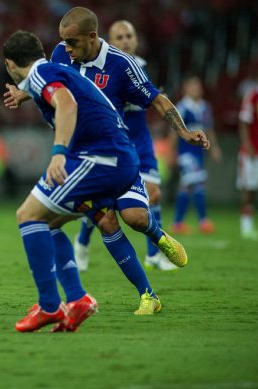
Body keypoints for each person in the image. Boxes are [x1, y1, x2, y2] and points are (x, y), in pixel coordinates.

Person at [5, 7, 209, 308]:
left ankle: (156, 235)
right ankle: (146, 295)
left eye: (73, 42)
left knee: (135, 217)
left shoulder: (122, 65)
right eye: (63, 42)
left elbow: (155, 98)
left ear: (93, 36)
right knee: (105, 222)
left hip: (112, 153)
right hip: (83, 157)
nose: (67, 49)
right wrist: (26, 93)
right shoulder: (62, 53)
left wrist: (183, 131)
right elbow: (52, 82)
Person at [73, 20, 176, 271]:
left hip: (139, 140)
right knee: (103, 204)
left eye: (129, 35)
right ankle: (83, 240)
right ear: (108, 42)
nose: (126, 41)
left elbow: (152, 99)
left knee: (153, 194)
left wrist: (152, 97)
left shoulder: (140, 67)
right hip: (113, 144)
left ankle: (153, 255)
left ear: (137, 40)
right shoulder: (103, 68)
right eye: (119, 37)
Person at [169, 75, 221, 235]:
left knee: (187, 186)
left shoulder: (205, 107)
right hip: (186, 153)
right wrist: (171, 153)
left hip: (198, 153)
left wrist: (214, 147)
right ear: (185, 89)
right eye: (192, 86)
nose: (196, 89)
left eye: (198, 86)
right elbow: (173, 131)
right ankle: (203, 221)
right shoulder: (182, 107)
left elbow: (209, 129)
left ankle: (177, 223)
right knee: (199, 183)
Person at [237, 64, 258, 240]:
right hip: (254, 151)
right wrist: (248, 146)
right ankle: (246, 226)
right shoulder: (254, 95)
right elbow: (244, 122)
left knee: (255, 189)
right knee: (250, 190)